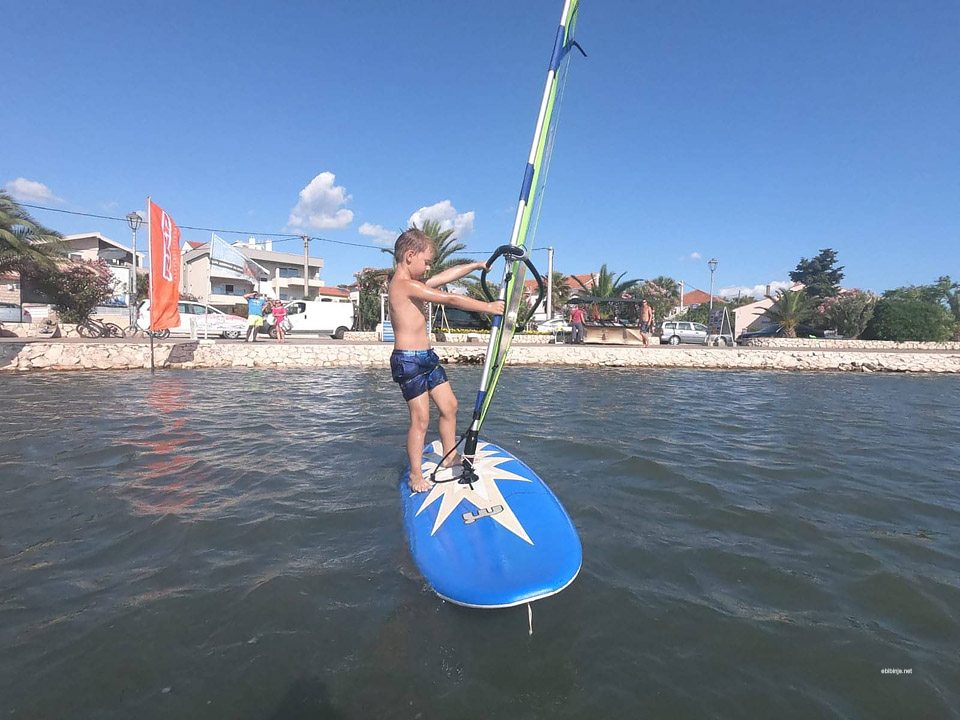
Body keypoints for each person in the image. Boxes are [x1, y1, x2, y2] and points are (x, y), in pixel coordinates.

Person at [389, 228, 504, 493]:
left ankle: (450, 455)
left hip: (427, 358)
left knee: (450, 406)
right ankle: (415, 474)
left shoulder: (415, 284)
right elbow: (451, 298)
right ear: (409, 256)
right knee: (421, 419)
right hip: (408, 361)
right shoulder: (403, 285)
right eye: (426, 262)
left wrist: (475, 265)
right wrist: (488, 308)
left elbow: (445, 277)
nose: (429, 268)